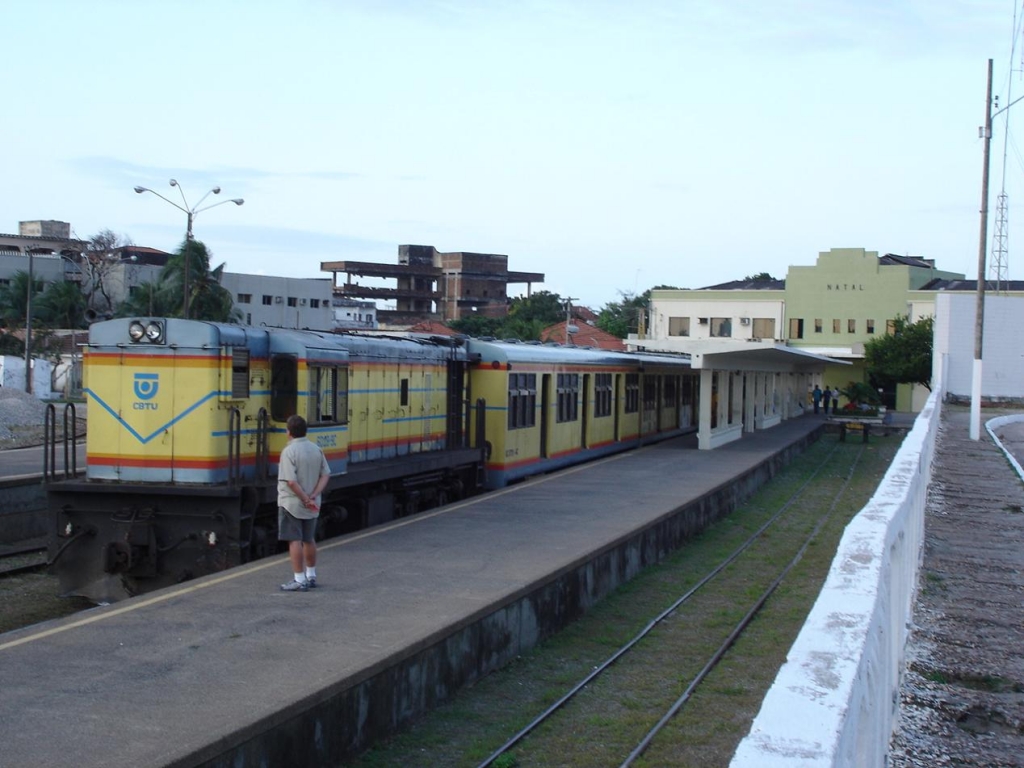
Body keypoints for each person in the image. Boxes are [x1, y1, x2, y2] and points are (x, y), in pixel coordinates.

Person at [278, 414, 331, 592]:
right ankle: (311, 575)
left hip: (292, 503)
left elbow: (291, 482)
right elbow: (326, 474)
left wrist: (304, 499)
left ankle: (299, 579)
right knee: (309, 539)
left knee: (294, 540)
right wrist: (313, 496)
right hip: (313, 503)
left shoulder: (289, 452)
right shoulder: (316, 449)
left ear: (289, 432)